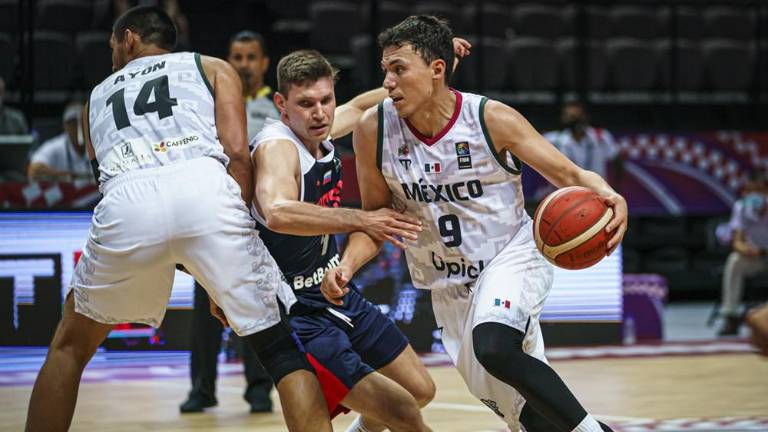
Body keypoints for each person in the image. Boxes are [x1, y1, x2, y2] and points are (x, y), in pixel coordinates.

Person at [25, 6, 332, 432]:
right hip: (204, 188)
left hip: (127, 200)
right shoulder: (212, 68)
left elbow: (104, 179)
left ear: (128, 39)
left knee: (68, 347)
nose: (112, 55)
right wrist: (222, 266)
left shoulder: (95, 96)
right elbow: (238, 157)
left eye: (114, 45)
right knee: (279, 348)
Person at [327, 16, 628, 432]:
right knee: (527, 416)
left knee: (494, 345)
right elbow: (377, 221)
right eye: (385, 71)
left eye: (399, 69)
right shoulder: (373, 130)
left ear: (437, 69)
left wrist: (610, 194)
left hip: (510, 258)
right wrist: (347, 265)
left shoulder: (491, 119)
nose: (389, 82)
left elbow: (571, 175)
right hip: (448, 289)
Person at [250, 49, 444, 432]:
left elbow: (365, 104)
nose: (320, 112)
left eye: (326, 100)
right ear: (281, 105)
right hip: (293, 311)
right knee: (402, 414)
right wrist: (362, 218)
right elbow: (277, 211)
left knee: (418, 389)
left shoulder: (321, 127)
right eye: (306, 104)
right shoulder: (278, 147)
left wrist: (428, 70)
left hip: (333, 291)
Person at [179, 29, 277, 415]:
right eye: (237, 57)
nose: (244, 64)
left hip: (263, 219)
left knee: (261, 305)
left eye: (251, 57)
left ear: (264, 63)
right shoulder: (209, 103)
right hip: (216, 218)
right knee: (205, 309)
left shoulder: (276, 106)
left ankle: (259, 390)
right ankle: (201, 390)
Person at [718, 172, 768, 336]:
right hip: (755, 259)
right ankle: (730, 316)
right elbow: (737, 240)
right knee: (734, 261)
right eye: (750, 191)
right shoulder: (741, 207)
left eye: (758, 191)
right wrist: (745, 249)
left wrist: (763, 250)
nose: (754, 196)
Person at [544, 101, 622, 189]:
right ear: (564, 119)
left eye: (578, 117)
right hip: (566, 193)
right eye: (571, 118)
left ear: (585, 117)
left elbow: (618, 161)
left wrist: (616, 186)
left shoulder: (601, 136)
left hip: (597, 191)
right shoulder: (555, 140)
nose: (576, 122)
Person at [27, 101, 93, 182]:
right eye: (73, 123)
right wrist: (66, 177)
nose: (78, 127)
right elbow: (34, 170)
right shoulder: (56, 146)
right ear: (65, 125)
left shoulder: (97, 144)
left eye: (82, 122)